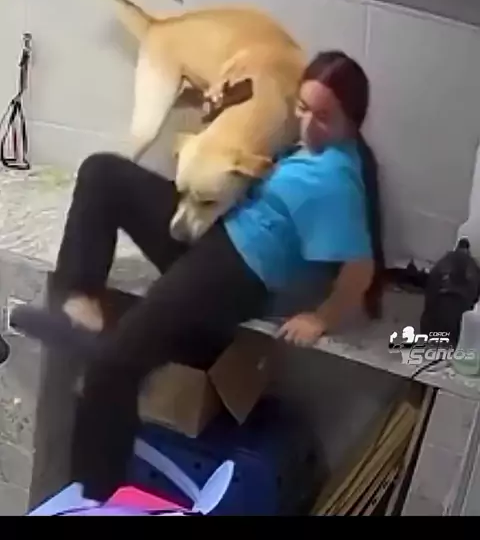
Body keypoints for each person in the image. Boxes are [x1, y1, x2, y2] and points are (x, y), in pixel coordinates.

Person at [15, 50, 383, 502]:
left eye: (324, 117)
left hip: (236, 274)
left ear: (353, 121)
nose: (308, 124)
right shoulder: (308, 149)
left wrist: (321, 318)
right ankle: (81, 303)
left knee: (113, 366)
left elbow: (361, 269)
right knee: (102, 174)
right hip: (213, 238)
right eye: (303, 108)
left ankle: (95, 500)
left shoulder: (339, 182)